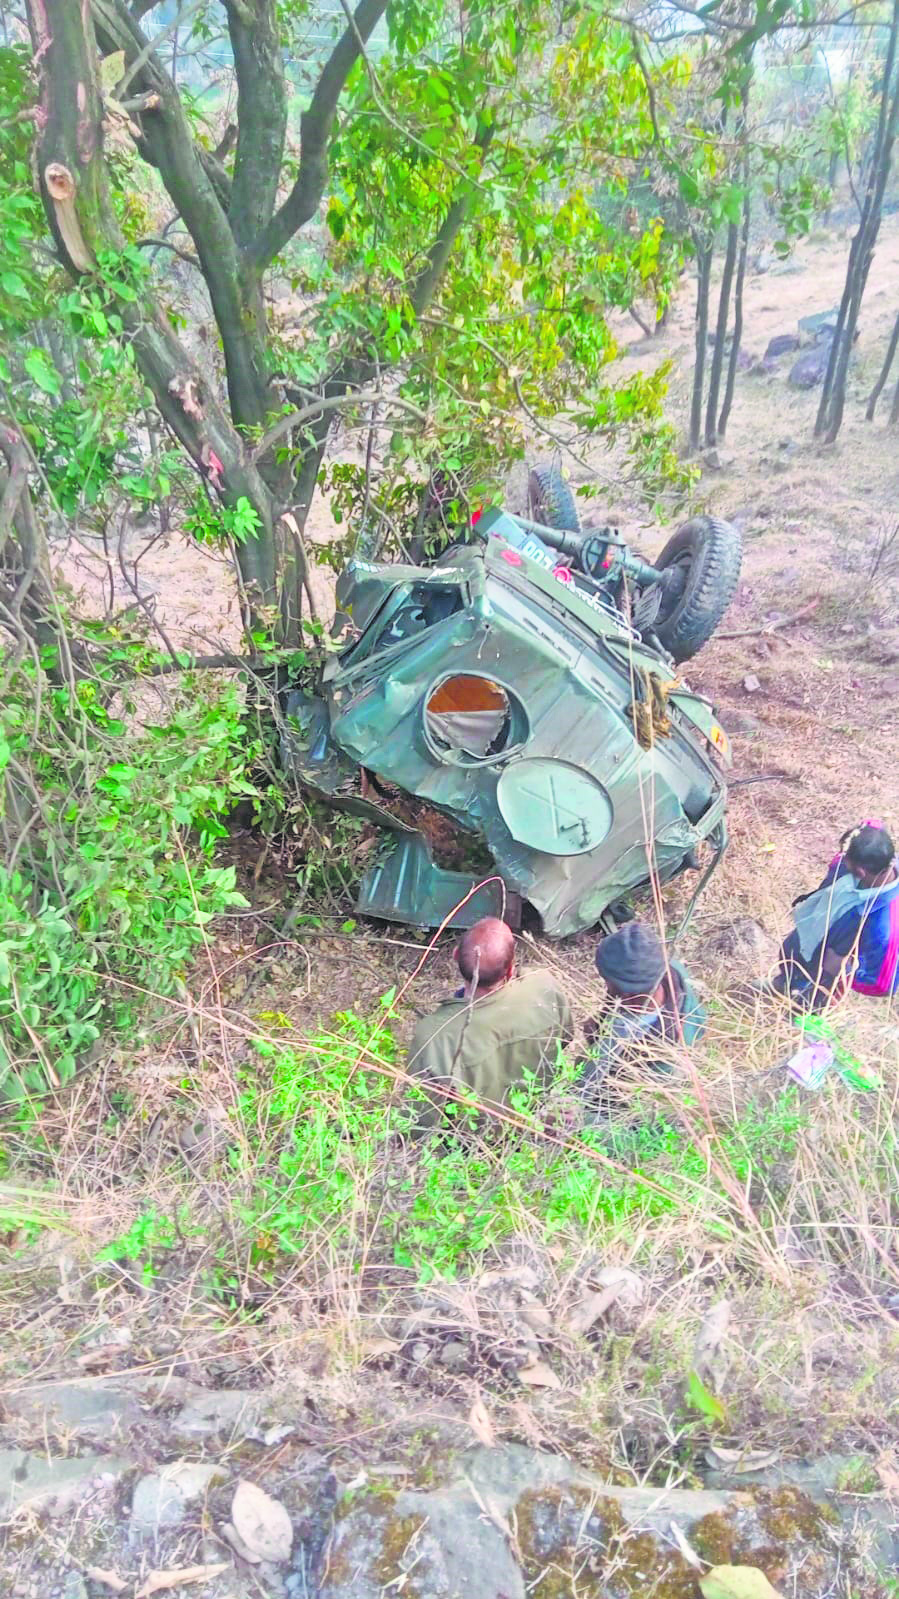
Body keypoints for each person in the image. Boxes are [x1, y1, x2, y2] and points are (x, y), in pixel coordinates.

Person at [406, 916, 572, 1126]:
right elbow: (565, 1038)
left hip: (471, 1144)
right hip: (538, 1120)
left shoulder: (435, 1035)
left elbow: (422, 1116)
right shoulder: (543, 985)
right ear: (511, 969)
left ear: (455, 955)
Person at [579, 921, 705, 1103]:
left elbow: (644, 1111)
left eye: (608, 982)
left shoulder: (666, 1054)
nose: (606, 985)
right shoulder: (661, 968)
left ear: (626, 993)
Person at [775, 822, 899, 1006]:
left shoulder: (884, 926)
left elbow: (883, 984)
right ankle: (784, 985)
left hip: (823, 973)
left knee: (809, 1004)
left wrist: (845, 971)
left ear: (860, 871)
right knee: (790, 964)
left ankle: (806, 1026)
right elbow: (873, 825)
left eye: (845, 861)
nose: (839, 860)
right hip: (807, 936)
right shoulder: (875, 855)